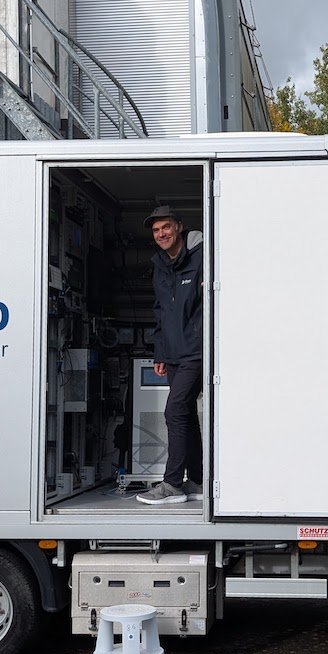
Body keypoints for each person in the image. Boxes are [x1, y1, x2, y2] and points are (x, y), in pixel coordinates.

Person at [136, 205, 204, 505]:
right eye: (155, 230)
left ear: (179, 226)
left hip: (198, 350)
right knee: (185, 413)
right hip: (175, 353)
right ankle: (199, 480)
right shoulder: (161, 265)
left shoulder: (203, 256)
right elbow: (161, 311)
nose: (161, 234)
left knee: (174, 411)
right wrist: (160, 353)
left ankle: (173, 484)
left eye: (166, 227)